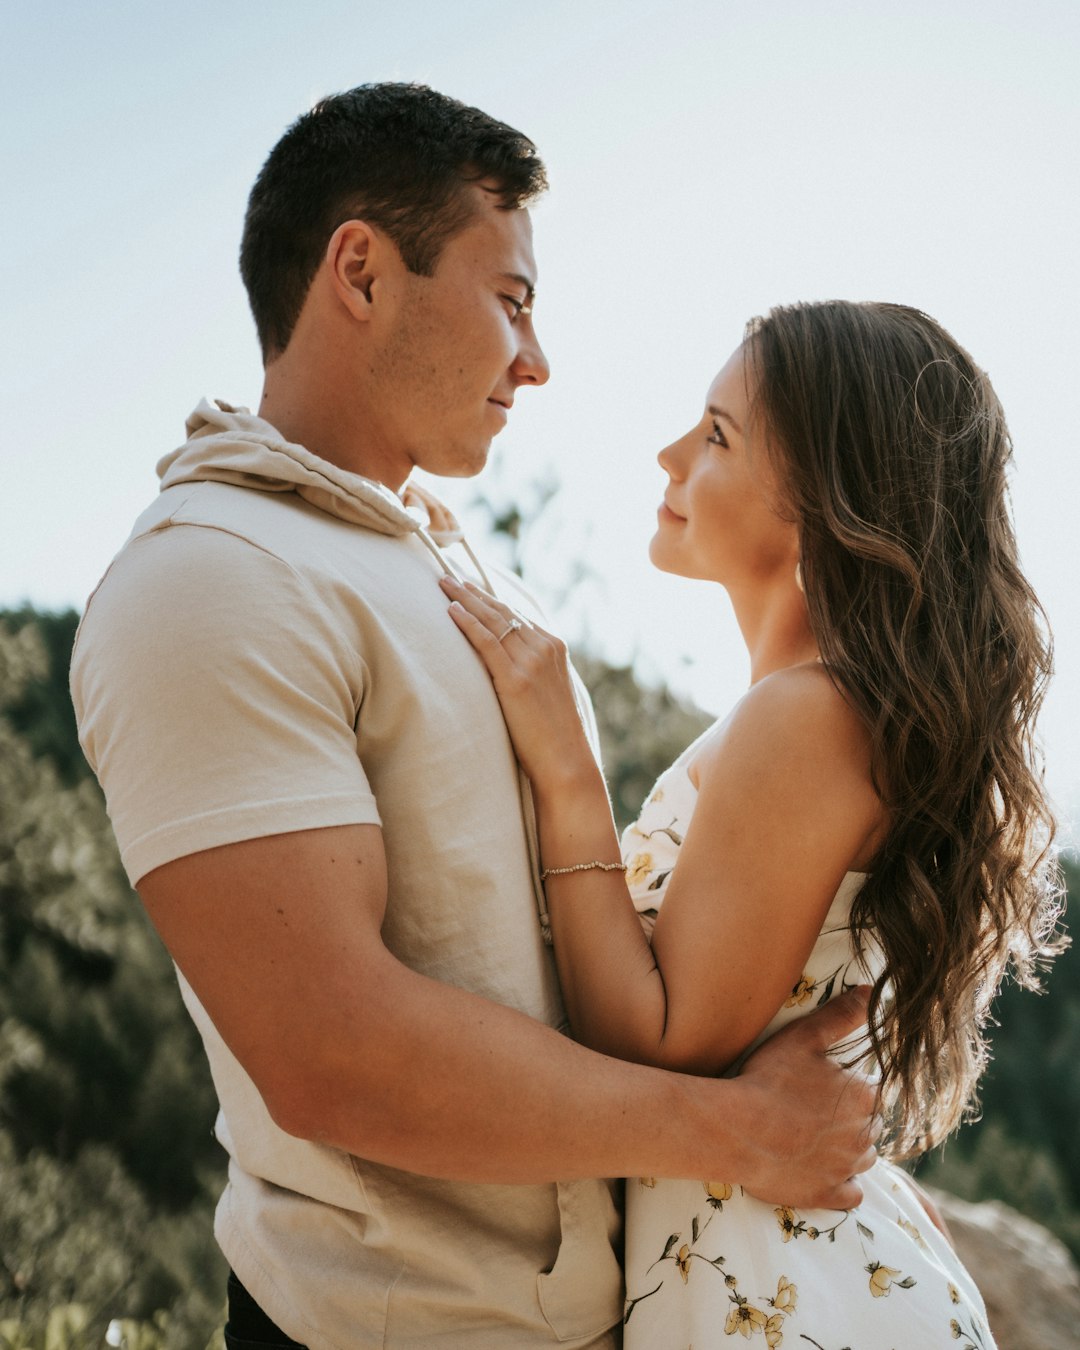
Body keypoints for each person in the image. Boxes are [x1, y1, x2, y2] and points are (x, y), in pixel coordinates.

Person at [69, 86, 880, 1350]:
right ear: (361, 271)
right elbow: (333, 1052)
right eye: (513, 301)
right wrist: (739, 1135)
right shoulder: (208, 578)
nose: (539, 358)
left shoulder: (449, 564)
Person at [445, 299, 1062, 1347]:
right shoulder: (817, 713)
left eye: (717, 435)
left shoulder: (810, 717)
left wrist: (565, 768)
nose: (670, 453)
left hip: (786, 1305)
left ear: (829, 503)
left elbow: (660, 1039)